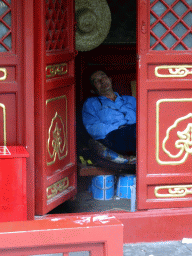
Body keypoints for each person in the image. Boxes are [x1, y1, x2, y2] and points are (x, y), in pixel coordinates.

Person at [82, 70, 136, 156]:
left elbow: (145, 118)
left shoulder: (131, 100)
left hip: (135, 131)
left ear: (110, 79)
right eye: (96, 81)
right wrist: (118, 127)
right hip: (114, 137)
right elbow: (93, 128)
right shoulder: (91, 103)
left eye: (103, 76)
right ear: (92, 90)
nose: (102, 81)